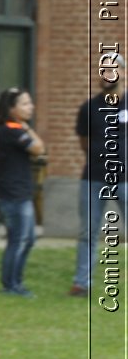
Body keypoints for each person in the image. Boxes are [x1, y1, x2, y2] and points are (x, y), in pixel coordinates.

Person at [73, 58, 123, 296]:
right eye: (102, 71)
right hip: (93, 178)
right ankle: (82, 283)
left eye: (112, 69)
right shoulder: (88, 108)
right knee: (88, 232)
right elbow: (84, 142)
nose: (106, 75)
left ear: (122, 72)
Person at [0, 86, 46, 297]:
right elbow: (38, 149)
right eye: (24, 103)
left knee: (29, 239)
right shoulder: (10, 130)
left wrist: (26, 127)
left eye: (30, 102)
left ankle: (17, 281)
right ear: (11, 108)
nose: (30, 107)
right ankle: (10, 285)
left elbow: (40, 147)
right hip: (12, 194)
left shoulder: (19, 128)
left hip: (23, 192)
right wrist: (26, 128)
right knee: (17, 239)